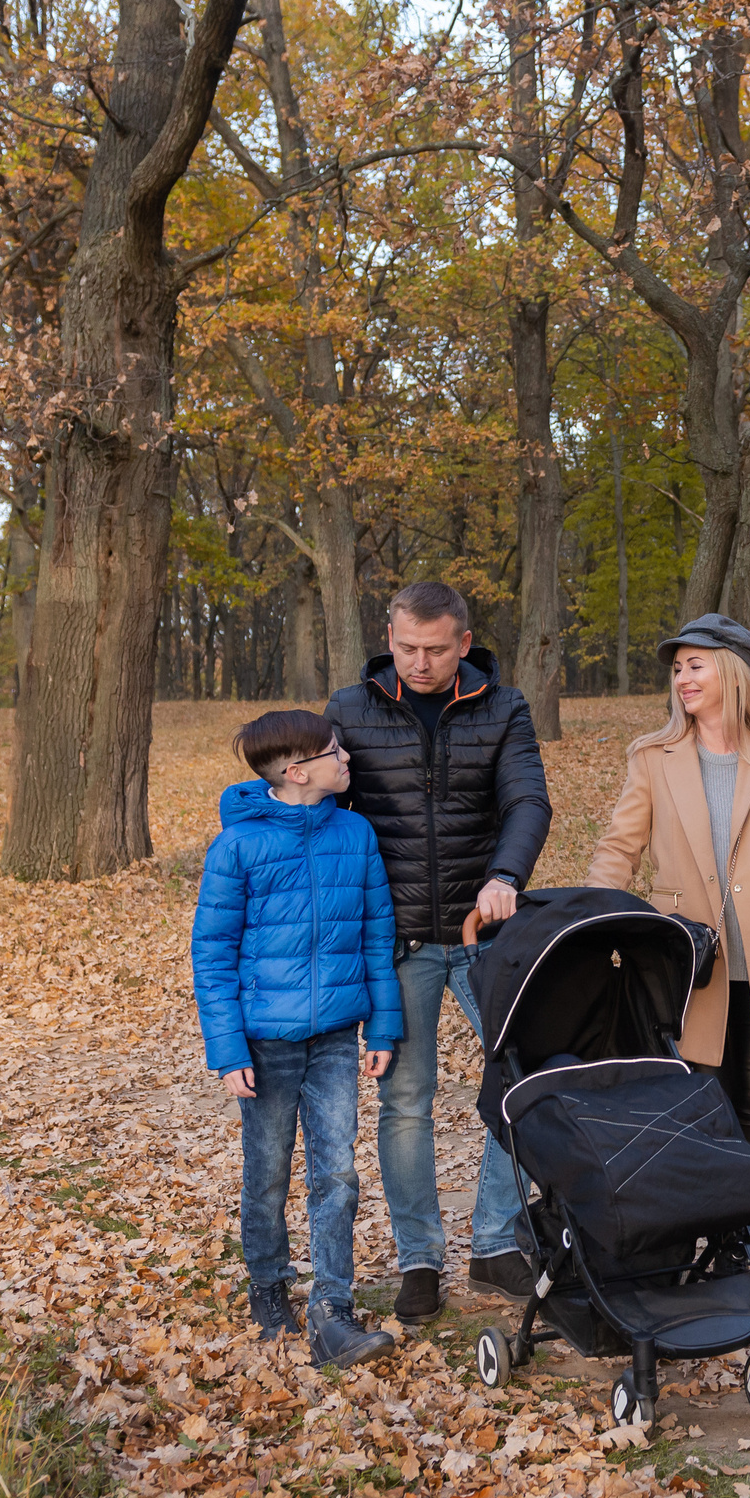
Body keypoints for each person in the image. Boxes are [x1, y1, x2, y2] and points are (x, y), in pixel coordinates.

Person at [326, 582, 551, 1326]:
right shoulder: (349, 710)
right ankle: (419, 1258)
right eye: (406, 646)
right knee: (405, 1101)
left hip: (485, 936)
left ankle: (494, 1241)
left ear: (464, 641)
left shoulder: (504, 706)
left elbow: (527, 801)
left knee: (527, 1078)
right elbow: (322, 814)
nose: (419, 662)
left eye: (435, 648)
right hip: (399, 942)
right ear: (388, 634)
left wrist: (505, 875)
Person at [190, 709, 401, 1369]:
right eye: (336, 751)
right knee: (269, 1172)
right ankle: (268, 1287)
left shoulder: (356, 833)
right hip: (266, 1044)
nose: (348, 759)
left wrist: (384, 1022)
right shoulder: (238, 847)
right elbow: (213, 952)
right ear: (299, 770)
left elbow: (376, 935)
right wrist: (227, 1048)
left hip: (337, 1036)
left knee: (336, 1172)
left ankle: (333, 1307)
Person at [585, 614, 750, 1159]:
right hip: (686, 962)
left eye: (695, 666)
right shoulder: (653, 757)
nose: (682, 679)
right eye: (677, 669)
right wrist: (596, 924)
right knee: (694, 1110)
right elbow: (619, 850)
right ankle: (699, 1230)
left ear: (732, 671)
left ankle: (737, 1243)